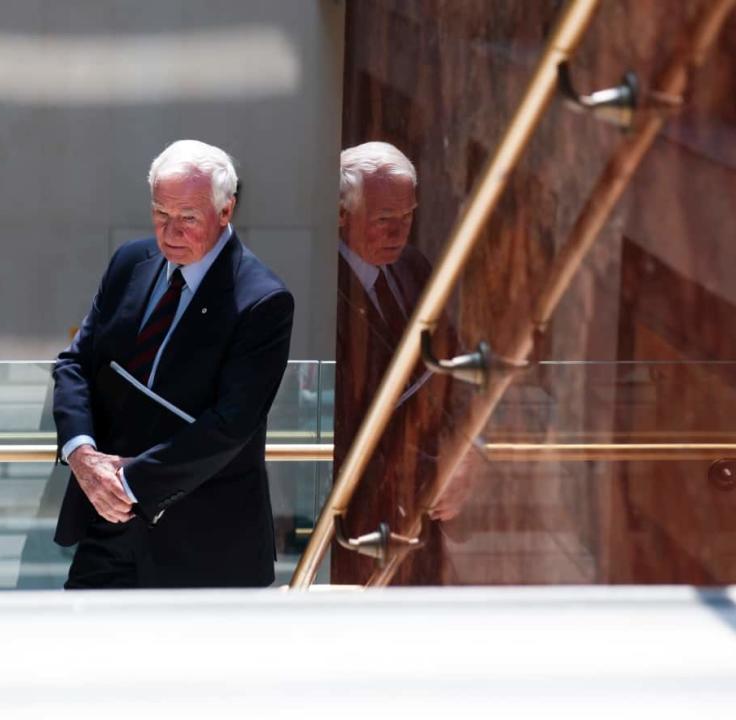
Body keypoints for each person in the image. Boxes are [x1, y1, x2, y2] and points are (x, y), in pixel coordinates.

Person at [52, 139, 294, 589]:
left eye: (187, 218)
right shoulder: (130, 263)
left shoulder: (263, 300)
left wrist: (126, 484)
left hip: (206, 545)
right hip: (106, 528)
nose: (170, 232)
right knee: (84, 655)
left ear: (226, 212)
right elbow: (74, 366)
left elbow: (231, 424)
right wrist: (82, 456)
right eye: (161, 214)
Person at [333, 141, 468, 585]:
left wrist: (464, 452)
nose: (398, 233)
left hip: (423, 506)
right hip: (354, 515)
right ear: (341, 215)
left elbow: (452, 366)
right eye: (383, 220)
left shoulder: (413, 266)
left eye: (407, 217)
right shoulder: (322, 284)